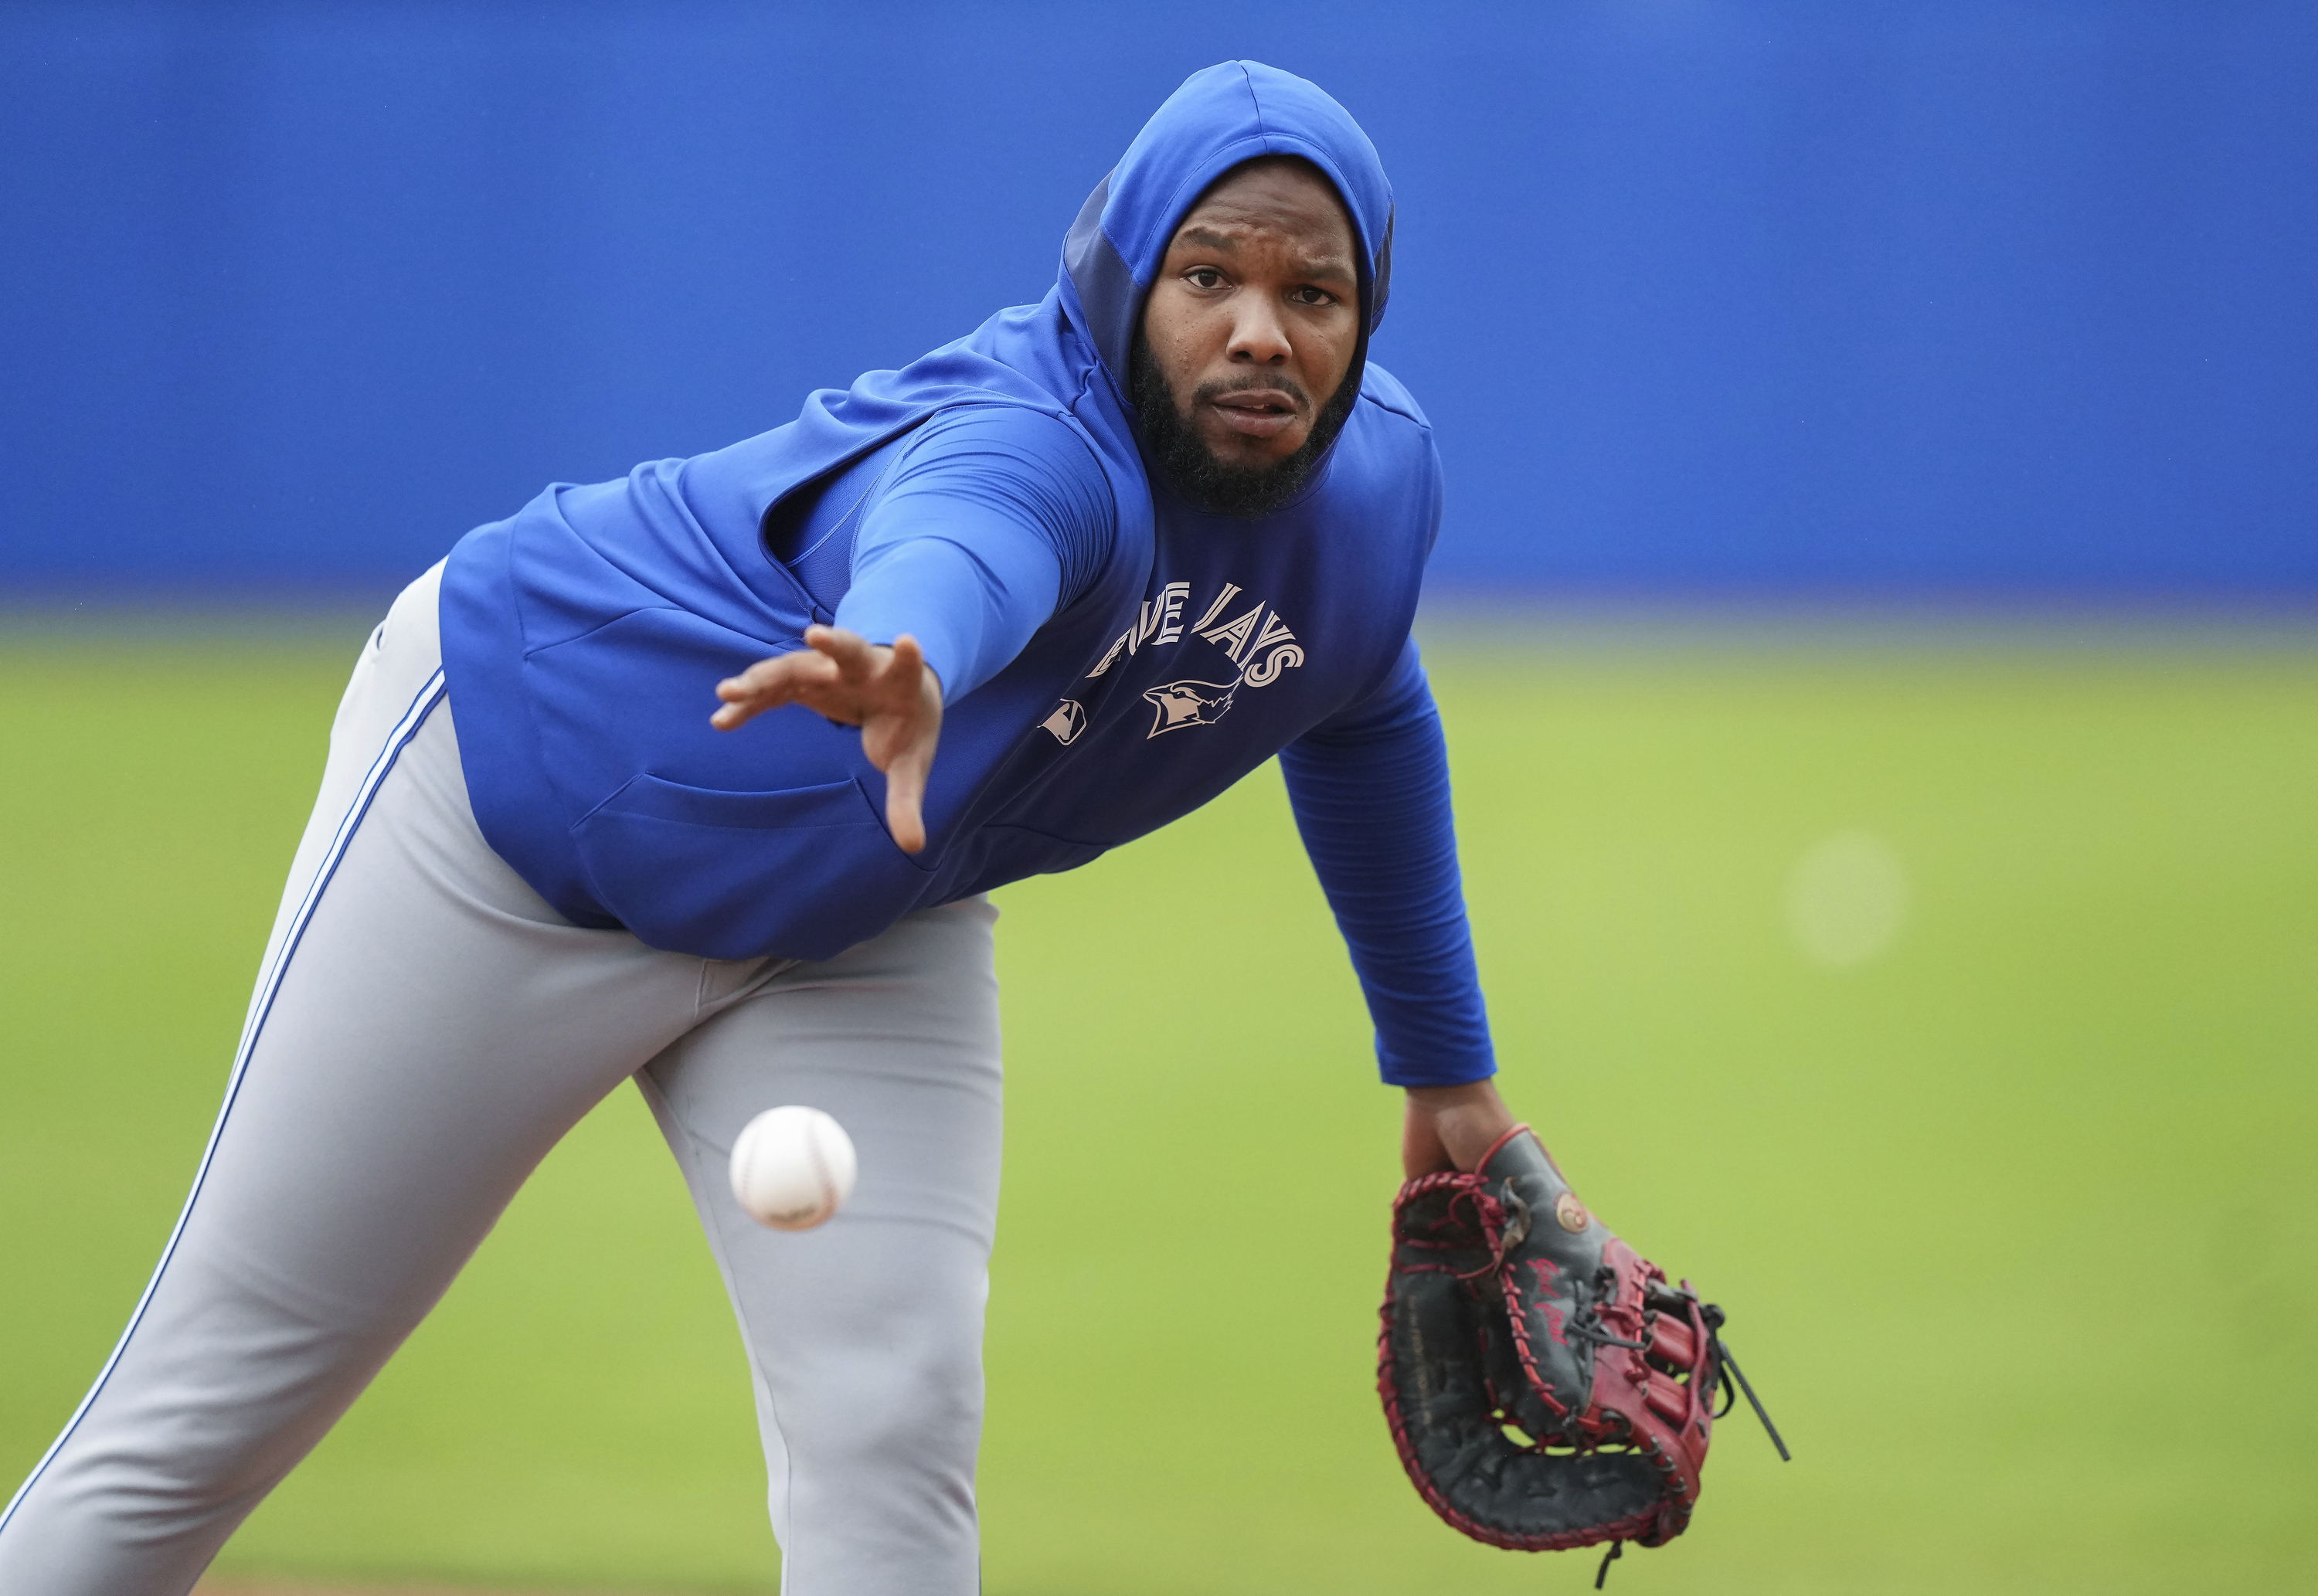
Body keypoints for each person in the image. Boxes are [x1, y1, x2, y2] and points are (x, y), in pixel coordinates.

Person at [0, 61, 1524, 1594]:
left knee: (894, 1431)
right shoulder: (1044, 449)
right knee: (202, 1418)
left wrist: (1449, 1070)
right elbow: (961, 540)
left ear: (1366, 317)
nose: (1261, 327)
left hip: (858, 917)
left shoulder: (1376, 494)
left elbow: (1365, 709)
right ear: (1122, 284)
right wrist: (909, 650)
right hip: (518, 825)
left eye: (1313, 292)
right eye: (1209, 275)